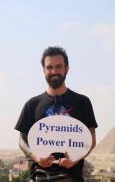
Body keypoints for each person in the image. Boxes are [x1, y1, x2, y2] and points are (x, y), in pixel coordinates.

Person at [14, 46, 98, 182]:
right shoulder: (32, 104)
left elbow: (91, 140)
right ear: (43, 71)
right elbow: (22, 140)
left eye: (59, 67)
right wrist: (36, 157)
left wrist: (75, 159)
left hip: (72, 177)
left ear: (67, 69)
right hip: (39, 177)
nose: (54, 71)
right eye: (49, 67)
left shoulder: (83, 102)